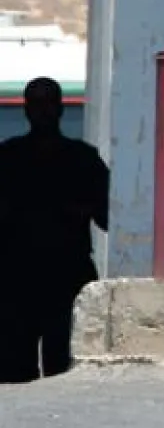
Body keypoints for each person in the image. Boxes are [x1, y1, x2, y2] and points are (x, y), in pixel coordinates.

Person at [0, 77, 109, 382]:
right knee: (12, 371)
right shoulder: (7, 158)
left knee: (65, 370)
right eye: (36, 103)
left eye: (48, 103)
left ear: (59, 109)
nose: (42, 111)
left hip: (66, 277)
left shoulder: (84, 160)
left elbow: (108, 216)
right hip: (15, 279)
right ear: (26, 110)